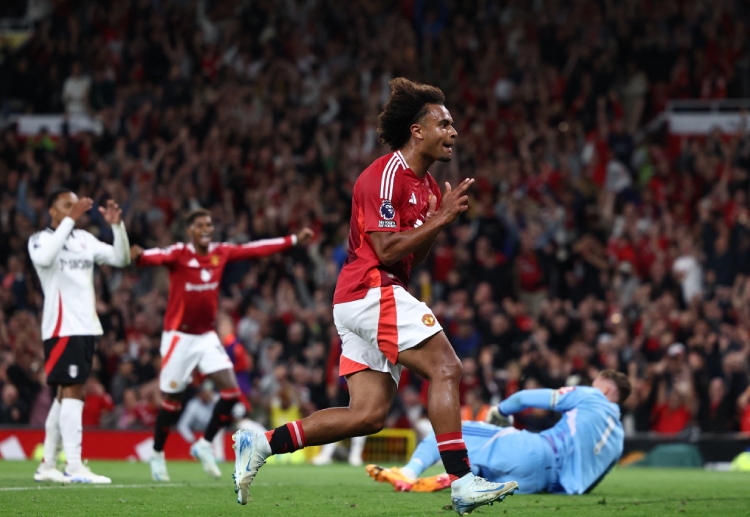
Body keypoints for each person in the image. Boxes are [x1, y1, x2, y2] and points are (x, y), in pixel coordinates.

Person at [232, 77, 518, 516]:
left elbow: (413, 256)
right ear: (417, 130)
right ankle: (463, 482)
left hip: (368, 294)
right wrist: (438, 219)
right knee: (447, 367)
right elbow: (384, 250)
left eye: (453, 124)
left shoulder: (426, 187)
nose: (453, 132)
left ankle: (264, 442)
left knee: (368, 415)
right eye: (443, 123)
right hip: (369, 287)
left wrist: (437, 220)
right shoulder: (385, 174)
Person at [130, 208, 313, 481]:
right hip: (178, 337)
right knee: (172, 401)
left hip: (205, 337)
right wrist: (139, 255)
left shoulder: (221, 252)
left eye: (210, 224)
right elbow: (148, 257)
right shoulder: (179, 253)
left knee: (230, 393)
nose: (207, 229)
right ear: (190, 230)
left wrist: (293, 240)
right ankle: (157, 454)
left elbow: (254, 249)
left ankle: (204, 444)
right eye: (200, 225)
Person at [367, 370, 631, 495]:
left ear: (605, 391)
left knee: (450, 431)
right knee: (489, 468)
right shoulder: (618, 443)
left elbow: (525, 398)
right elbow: (588, 484)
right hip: (541, 486)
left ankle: (408, 472)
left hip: (537, 451)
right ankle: (458, 478)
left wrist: (501, 411)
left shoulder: (593, 397)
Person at [29, 188, 131, 483]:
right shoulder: (41, 240)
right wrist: (70, 221)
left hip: (86, 326)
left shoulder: (84, 240)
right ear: (52, 210)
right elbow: (46, 258)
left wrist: (116, 226)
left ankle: (47, 464)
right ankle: (73, 465)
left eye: (76, 206)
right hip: (62, 327)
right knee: (74, 391)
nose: (74, 210)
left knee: (65, 396)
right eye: (66, 205)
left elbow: (120, 258)